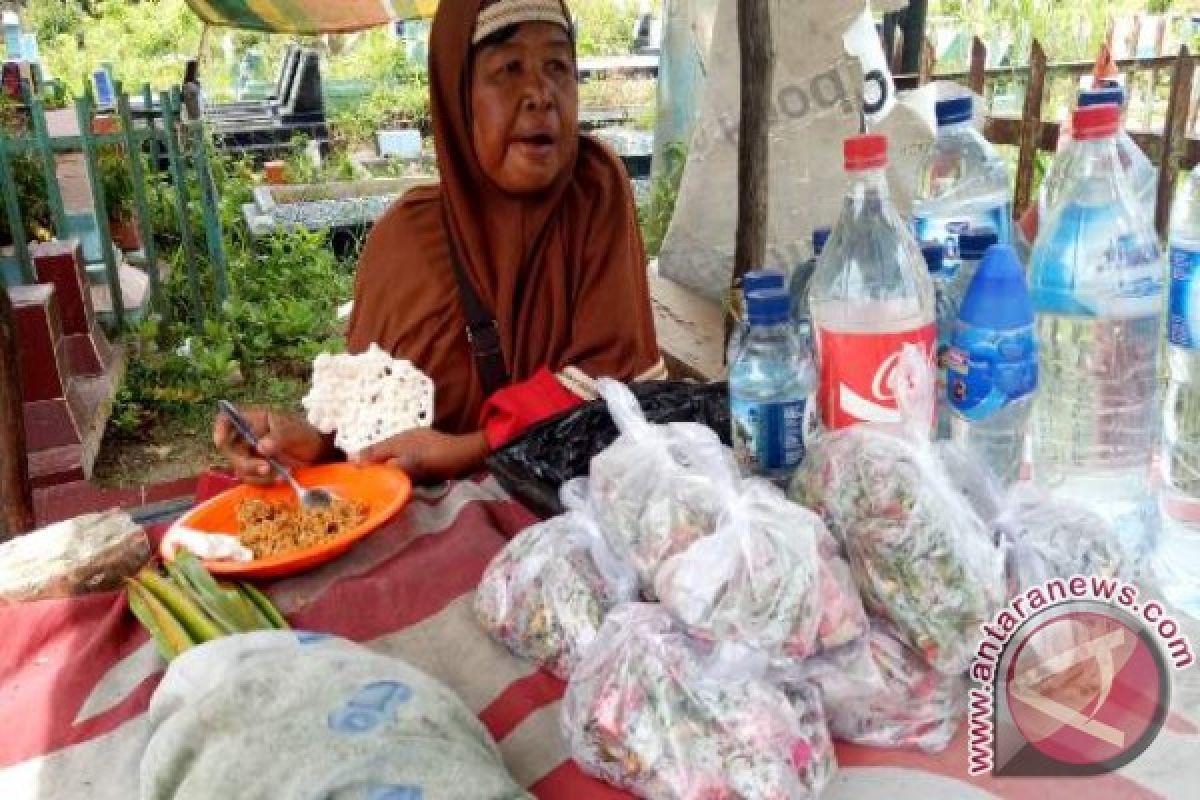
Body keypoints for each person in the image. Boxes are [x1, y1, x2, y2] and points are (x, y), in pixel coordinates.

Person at [215, 0, 664, 484]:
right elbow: (370, 431)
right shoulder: (406, 242)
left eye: (557, 66)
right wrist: (307, 442)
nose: (540, 93)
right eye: (508, 69)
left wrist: (467, 449)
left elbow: (614, 385)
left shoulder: (593, 190)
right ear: (457, 97)